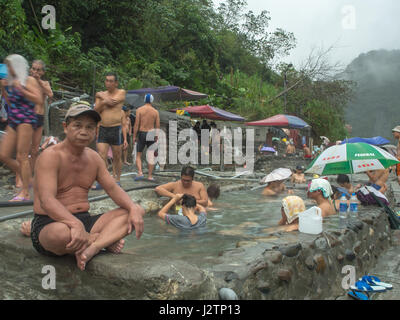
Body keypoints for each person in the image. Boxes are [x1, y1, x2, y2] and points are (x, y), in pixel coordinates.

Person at [19, 103, 144, 271]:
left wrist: (132, 207)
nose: (84, 131)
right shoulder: (50, 156)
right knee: (62, 234)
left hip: (84, 220)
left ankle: (92, 247)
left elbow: (113, 189)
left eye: (89, 127)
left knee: (133, 211)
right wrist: (75, 225)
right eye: (77, 125)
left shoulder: (94, 159)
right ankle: (101, 239)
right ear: (66, 127)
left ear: (96, 131)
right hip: (52, 223)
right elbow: (47, 200)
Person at [0, 54, 43, 201]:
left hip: (26, 119)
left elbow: (38, 99)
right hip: (13, 119)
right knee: (4, 154)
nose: (8, 68)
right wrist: (4, 90)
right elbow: (10, 102)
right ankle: (29, 180)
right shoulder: (11, 81)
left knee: (22, 156)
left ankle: (25, 192)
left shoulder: (28, 80)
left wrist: (22, 89)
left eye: (10, 65)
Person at [94, 72, 127, 188]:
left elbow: (112, 102)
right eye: (106, 80)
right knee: (101, 155)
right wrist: (103, 100)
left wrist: (100, 96)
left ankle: (117, 179)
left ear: (116, 83)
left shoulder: (121, 92)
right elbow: (96, 110)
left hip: (116, 128)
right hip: (103, 127)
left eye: (111, 81)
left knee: (117, 156)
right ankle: (103, 180)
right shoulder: (101, 96)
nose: (108, 83)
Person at [30, 60, 53, 171]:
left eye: (38, 70)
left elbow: (50, 94)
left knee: (34, 150)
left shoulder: (45, 83)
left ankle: (31, 173)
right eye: (33, 69)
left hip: (39, 117)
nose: (35, 71)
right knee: (23, 149)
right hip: (27, 116)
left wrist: (38, 80)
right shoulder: (27, 81)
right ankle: (20, 175)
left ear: (43, 72)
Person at [132, 94, 160, 181]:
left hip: (142, 133)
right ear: (152, 101)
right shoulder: (155, 112)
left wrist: (134, 136)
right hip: (151, 134)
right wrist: (156, 136)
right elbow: (157, 126)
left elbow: (136, 124)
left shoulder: (139, 110)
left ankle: (140, 172)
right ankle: (150, 176)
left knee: (138, 154)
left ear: (144, 100)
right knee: (151, 156)